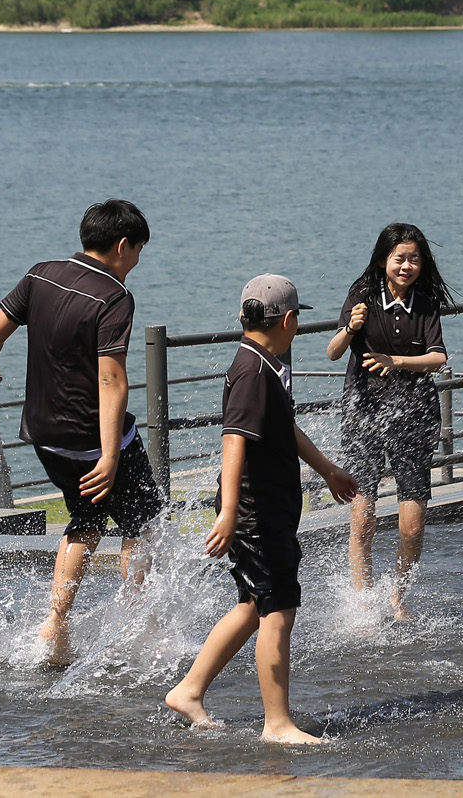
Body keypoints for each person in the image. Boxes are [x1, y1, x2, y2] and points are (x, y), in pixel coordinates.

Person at [166, 276, 359, 743]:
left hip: (265, 507)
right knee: (278, 609)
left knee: (254, 604)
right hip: (256, 510)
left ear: (243, 316)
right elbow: (234, 439)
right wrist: (229, 512)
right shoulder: (253, 372)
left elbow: (283, 427)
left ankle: (189, 690)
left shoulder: (265, 364)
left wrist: (328, 469)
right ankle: (277, 723)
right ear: (290, 320)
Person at [0, 198, 164, 664]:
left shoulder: (41, 273)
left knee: (87, 519)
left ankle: (54, 629)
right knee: (144, 523)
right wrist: (110, 455)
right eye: (138, 251)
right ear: (122, 245)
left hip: (42, 433)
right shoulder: (114, 296)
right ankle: (136, 627)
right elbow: (111, 378)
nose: (137, 262)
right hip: (91, 438)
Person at [324, 222, 451, 619]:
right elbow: (332, 352)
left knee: (412, 527)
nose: (407, 266)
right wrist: (350, 328)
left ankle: (397, 598)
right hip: (364, 413)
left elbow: (438, 358)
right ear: (383, 260)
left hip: (413, 415)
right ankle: (363, 602)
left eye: (414, 259)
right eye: (400, 258)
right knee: (363, 519)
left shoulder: (425, 300)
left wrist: (394, 362)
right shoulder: (362, 294)